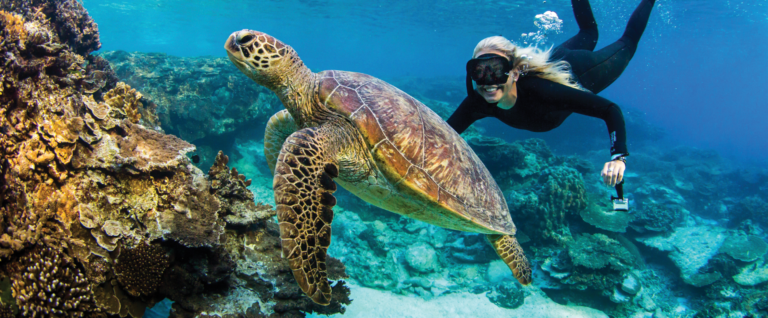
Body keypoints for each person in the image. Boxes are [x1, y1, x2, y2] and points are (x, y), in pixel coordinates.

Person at [447, 0, 656, 187]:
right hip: (553, 61)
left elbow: (610, 110)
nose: (489, 82)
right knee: (589, 34)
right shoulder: (477, 102)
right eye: (479, 71)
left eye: (497, 70)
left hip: (582, 71)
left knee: (627, 43)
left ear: (515, 73)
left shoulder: (543, 92)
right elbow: (442, 134)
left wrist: (618, 157)